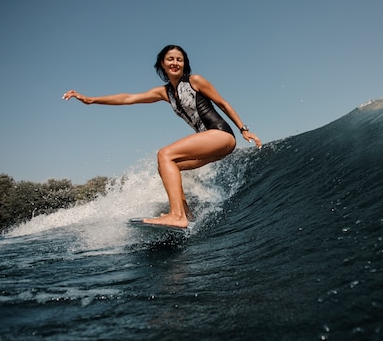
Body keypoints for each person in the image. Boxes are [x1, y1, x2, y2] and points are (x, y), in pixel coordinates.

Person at [62, 44, 262, 228]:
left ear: (185, 64)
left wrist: (243, 129)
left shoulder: (195, 81)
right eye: (170, 59)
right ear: (162, 64)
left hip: (221, 134)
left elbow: (223, 103)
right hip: (214, 146)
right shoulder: (164, 92)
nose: (175, 63)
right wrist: (90, 99)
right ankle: (185, 214)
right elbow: (128, 98)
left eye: (179, 59)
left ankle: (176, 216)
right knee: (167, 166)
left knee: (164, 154)